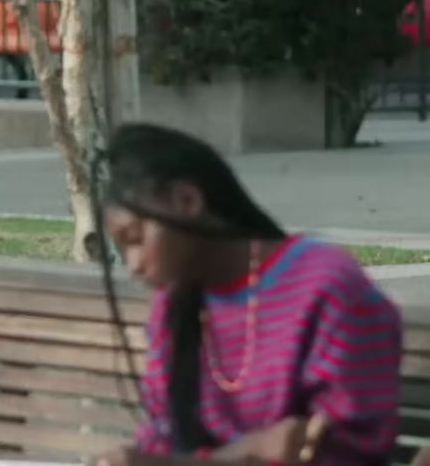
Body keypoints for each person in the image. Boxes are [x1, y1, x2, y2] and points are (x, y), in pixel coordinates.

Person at [96, 123, 402, 465]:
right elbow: (163, 435)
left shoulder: (325, 286)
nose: (134, 266)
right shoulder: (174, 306)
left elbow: (342, 452)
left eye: (135, 238)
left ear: (187, 201)